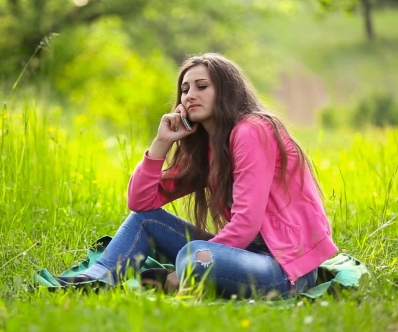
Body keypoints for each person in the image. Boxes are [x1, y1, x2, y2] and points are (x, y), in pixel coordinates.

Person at [58, 53, 338, 299]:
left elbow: (247, 223)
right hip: (241, 256)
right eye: (184, 89)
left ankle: (178, 279)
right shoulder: (206, 147)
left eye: (202, 87)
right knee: (146, 222)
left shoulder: (252, 130)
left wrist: (187, 267)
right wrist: (161, 142)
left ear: (226, 90)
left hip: (281, 269)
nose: (189, 95)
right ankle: (97, 279)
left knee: (194, 257)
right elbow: (141, 202)